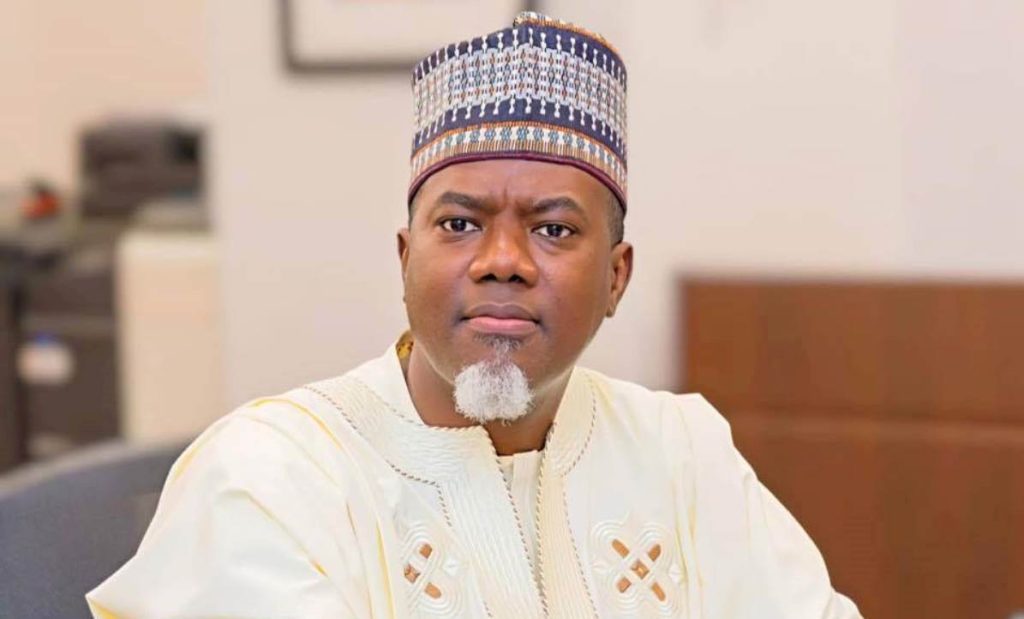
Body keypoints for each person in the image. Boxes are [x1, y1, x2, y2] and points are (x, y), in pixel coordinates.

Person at [87, 12, 861, 619]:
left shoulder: (681, 452)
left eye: (553, 229)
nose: (502, 260)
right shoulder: (274, 475)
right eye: (459, 224)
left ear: (616, 277)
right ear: (405, 259)